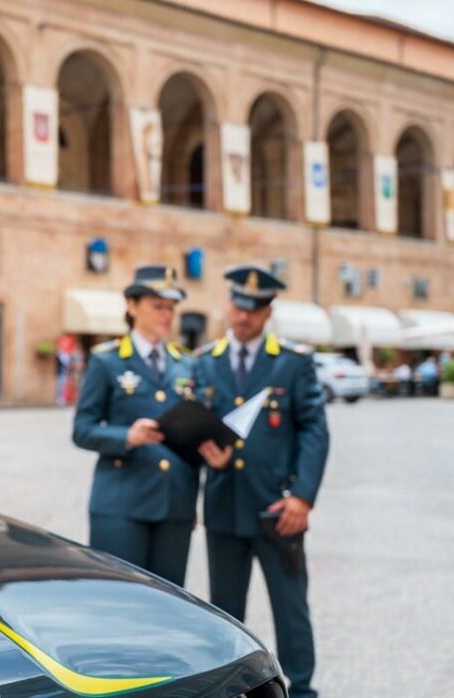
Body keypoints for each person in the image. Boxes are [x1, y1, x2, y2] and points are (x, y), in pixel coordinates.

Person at [193, 264, 329, 698]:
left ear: (268, 312)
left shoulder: (292, 361)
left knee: (291, 611)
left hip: (277, 509)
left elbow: (314, 429)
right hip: (224, 505)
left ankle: (303, 690)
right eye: (238, 305)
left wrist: (303, 498)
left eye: (254, 308)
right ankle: (231, 691)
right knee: (225, 613)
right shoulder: (205, 363)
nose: (243, 315)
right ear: (229, 303)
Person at [72, 264, 227, 587]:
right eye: (157, 306)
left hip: (175, 504)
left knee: (167, 607)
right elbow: (83, 429)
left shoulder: (187, 362)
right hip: (121, 505)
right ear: (131, 306)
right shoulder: (107, 360)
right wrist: (127, 436)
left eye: (171, 307)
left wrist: (214, 455)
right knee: (120, 604)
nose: (166, 315)